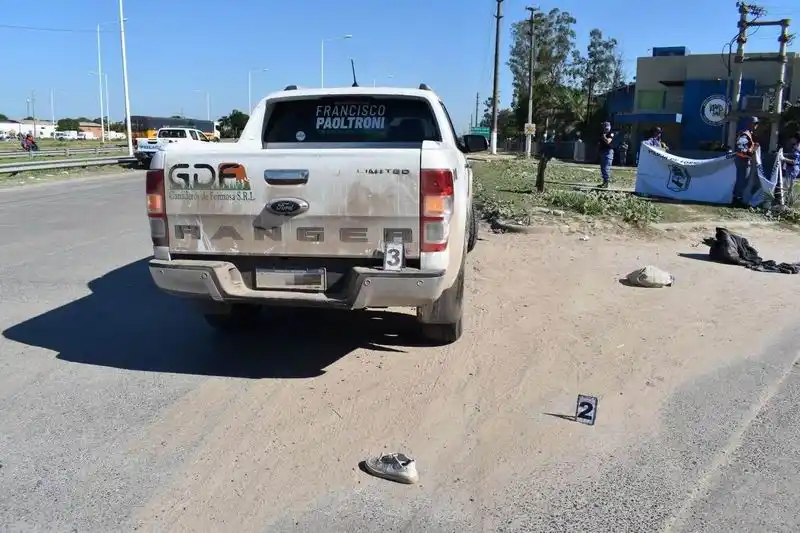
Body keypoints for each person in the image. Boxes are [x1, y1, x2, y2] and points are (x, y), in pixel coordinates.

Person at [732, 117, 759, 206]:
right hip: (742, 160)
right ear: (751, 124)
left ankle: (738, 198)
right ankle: (736, 200)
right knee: (741, 180)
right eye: (755, 124)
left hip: (745, 160)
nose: (756, 126)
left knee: (743, 180)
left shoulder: (749, 134)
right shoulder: (745, 134)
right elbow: (741, 149)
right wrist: (752, 151)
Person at [597, 121, 614, 188]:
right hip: (602, 151)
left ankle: (606, 183)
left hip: (608, 152)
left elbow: (608, 141)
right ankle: (604, 182)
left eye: (605, 127)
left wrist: (604, 136)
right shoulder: (601, 133)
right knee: (603, 168)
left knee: (606, 167)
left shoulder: (611, 133)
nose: (603, 128)